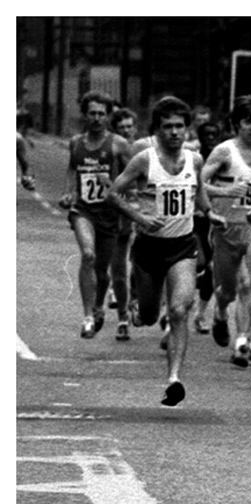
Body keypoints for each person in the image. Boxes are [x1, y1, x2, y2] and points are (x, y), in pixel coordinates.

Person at [106, 96, 210, 406]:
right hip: (149, 248)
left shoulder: (195, 160)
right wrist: (140, 218)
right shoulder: (143, 160)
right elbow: (114, 194)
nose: (175, 132)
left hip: (182, 247)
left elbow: (200, 194)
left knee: (179, 311)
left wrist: (210, 212)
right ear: (157, 130)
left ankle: (174, 379)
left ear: (186, 129)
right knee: (151, 317)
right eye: (168, 127)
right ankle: (139, 311)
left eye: (180, 126)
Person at [201, 95, 251, 367]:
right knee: (228, 291)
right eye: (247, 122)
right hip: (226, 229)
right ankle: (220, 313)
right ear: (235, 124)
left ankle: (246, 340)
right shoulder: (224, 152)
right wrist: (225, 192)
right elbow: (197, 183)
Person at [60, 92, 132, 340]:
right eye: (92, 113)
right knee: (88, 255)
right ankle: (88, 316)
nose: (97, 118)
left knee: (102, 272)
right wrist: (68, 192)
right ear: (85, 114)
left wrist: (112, 184)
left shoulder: (119, 144)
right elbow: (72, 167)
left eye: (102, 113)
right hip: (83, 211)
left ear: (108, 116)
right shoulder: (75, 142)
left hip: (109, 215)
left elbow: (133, 179)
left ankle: (99, 306)